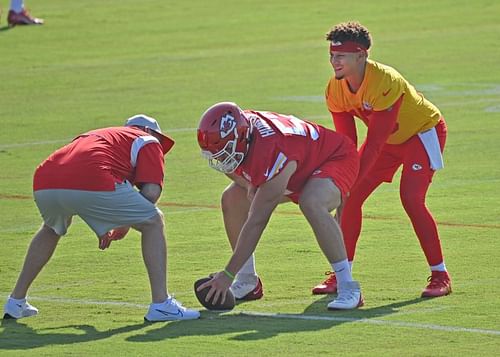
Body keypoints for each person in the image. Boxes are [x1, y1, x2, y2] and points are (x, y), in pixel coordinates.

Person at [3, 115, 200, 322]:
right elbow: (151, 193)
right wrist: (122, 223)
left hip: (45, 178)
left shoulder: (102, 136)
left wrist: (113, 219)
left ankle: (16, 301)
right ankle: (161, 304)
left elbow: (77, 178)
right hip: (89, 178)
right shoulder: (148, 140)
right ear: (151, 132)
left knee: (51, 228)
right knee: (153, 221)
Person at [312, 21, 451, 298]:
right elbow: (347, 144)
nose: (333, 61)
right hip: (388, 142)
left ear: (361, 55)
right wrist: (341, 179)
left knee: (411, 198)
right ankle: (342, 274)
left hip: (421, 134)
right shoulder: (334, 89)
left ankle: (440, 275)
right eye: (331, 55)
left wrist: (347, 179)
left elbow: (374, 142)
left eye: (341, 56)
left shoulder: (384, 81)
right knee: (349, 197)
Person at [196, 102, 364, 310]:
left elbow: (257, 221)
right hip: (297, 166)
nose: (220, 159)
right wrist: (249, 184)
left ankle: (348, 286)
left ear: (240, 139)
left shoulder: (273, 149)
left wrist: (227, 274)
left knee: (312, 202)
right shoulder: (242, 130)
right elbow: (227, 163)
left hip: (335, 158)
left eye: (223, 152)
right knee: (232, 198)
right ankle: (248, 280)